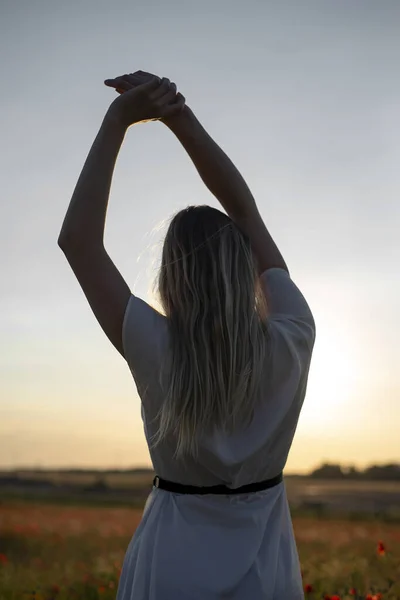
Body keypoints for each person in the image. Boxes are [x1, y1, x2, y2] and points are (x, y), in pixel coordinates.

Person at [58, 70, 316, 600]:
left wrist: (117, 121)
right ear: (247, 268)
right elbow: (244, 210)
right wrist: (178, 114)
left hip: (169, 563)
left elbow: (78, 242)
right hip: (269, 569)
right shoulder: (293, 334)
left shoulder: (153, 344)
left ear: (170, 279)